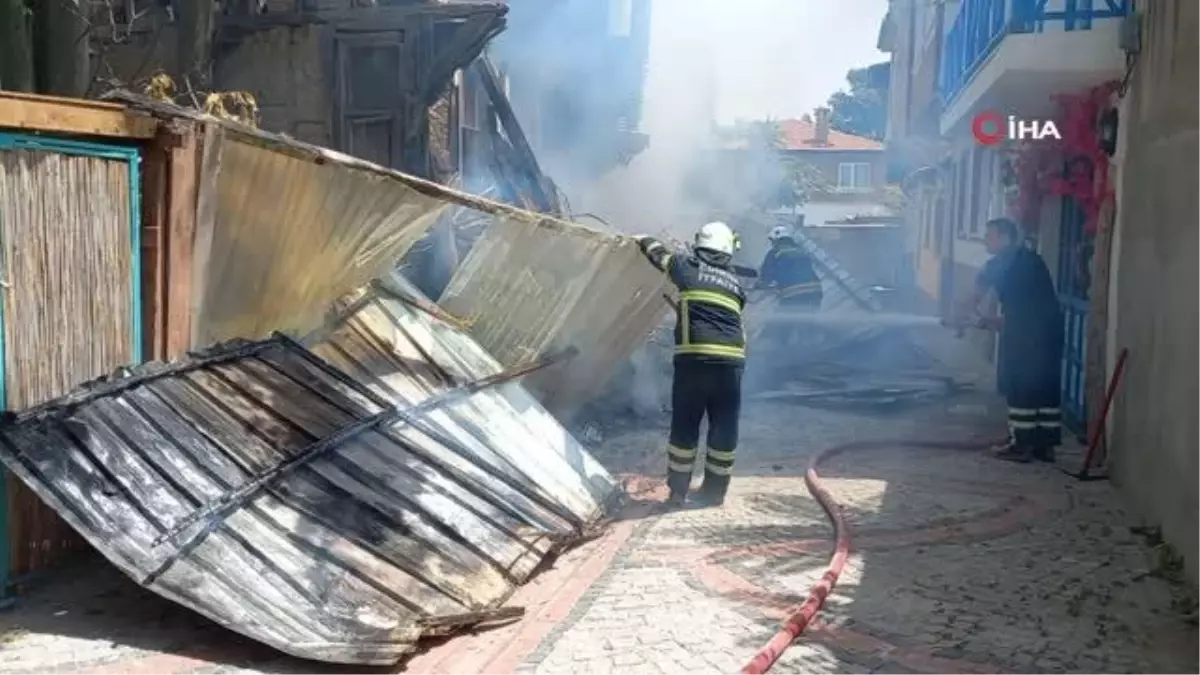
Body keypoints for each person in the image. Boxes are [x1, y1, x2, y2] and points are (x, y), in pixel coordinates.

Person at [634, 222, 746, 507]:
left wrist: (642, 237)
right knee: (724, 427)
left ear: (700, 246)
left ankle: (678, 493)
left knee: (685, 426)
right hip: (732, 366)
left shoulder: (686, 267)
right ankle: (714, 493)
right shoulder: (736, 285)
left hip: (694, 362)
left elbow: (659, 256)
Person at [956, 217, 1064, 463]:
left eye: (990, 235)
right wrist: (983, 321)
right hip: (1050, 330)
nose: (985, 240)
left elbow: (973, 296)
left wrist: (962, 316)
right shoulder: (1032, 259)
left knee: (1020, 383)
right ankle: (1044, 446)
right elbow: (1025, 309)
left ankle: (1022, 445)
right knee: (1044, 385)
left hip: (1025, 333)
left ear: (1005, 238)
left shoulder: (1000, 263)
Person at [757, 225, 823, 349]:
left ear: (775, 240)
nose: (772, 244)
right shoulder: (801, 250)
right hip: (815, 292)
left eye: (772, 241)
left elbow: (766, 277)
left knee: (783, 324)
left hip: (794, 293)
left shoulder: (775, 253)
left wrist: (758, 285)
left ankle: (782, 352)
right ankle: (811, 350)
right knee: (808, 323)